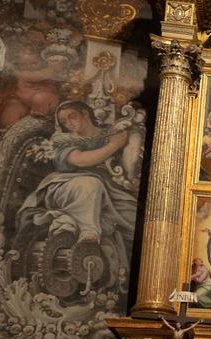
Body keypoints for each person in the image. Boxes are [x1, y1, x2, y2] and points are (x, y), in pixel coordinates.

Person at [16, 100, 137, 253]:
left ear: (85, 114)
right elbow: (82, 160)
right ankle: (88, 235)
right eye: (64, 122)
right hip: (66, 186)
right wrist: (114, 145)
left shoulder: (110, 132)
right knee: (90, 184)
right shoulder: (62, 140)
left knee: (134, 215)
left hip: (108, 191)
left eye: (72, 117)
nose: (69, 124)